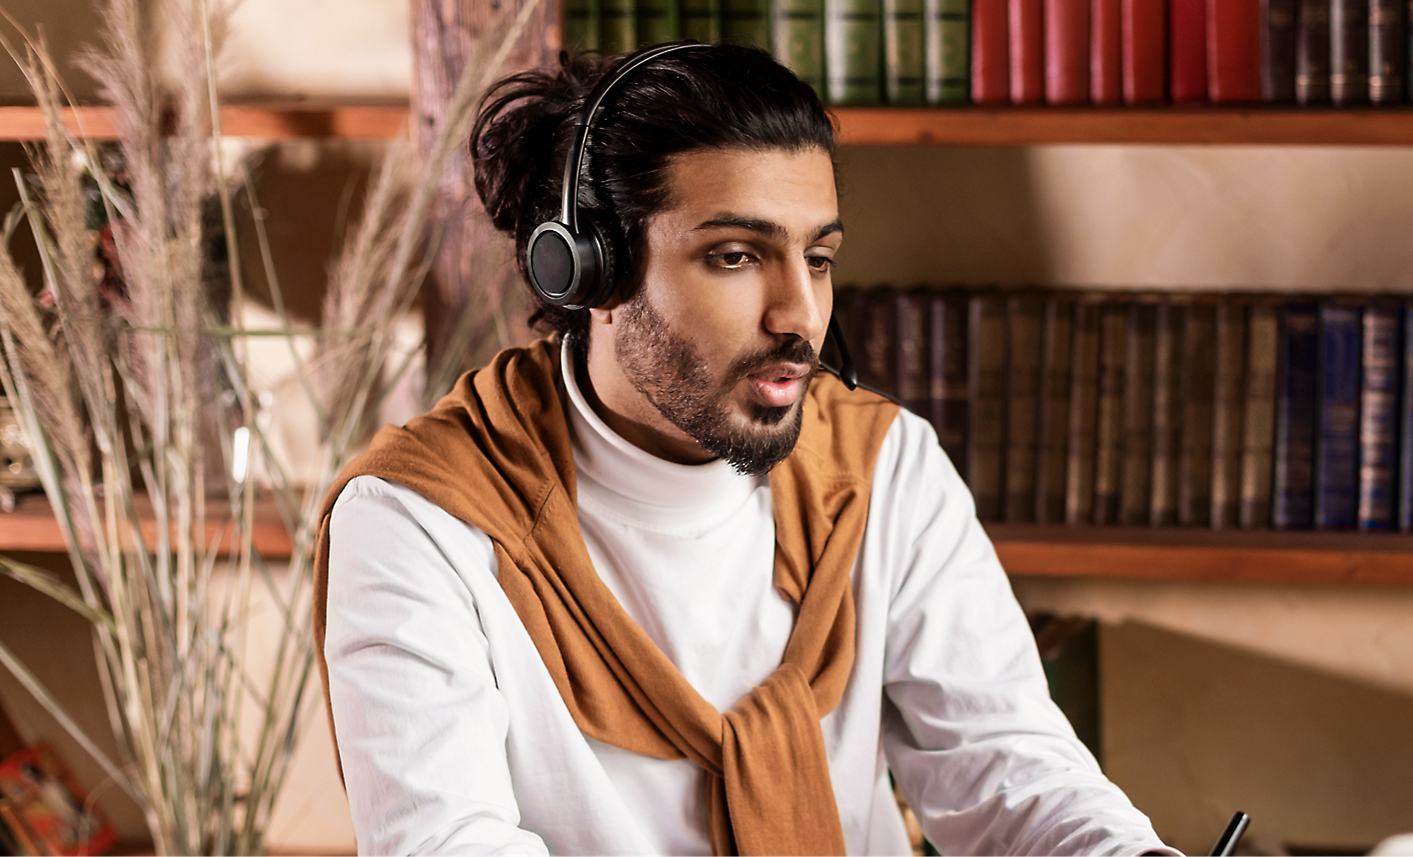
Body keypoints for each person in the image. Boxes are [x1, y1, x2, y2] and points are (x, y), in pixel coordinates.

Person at [311, 42, 1177, 857]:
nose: (799, 313)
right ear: (591, 273)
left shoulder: (886, 468)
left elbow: (1011, 771)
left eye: (820, 256)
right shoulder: (417, 523)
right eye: (734, 255)